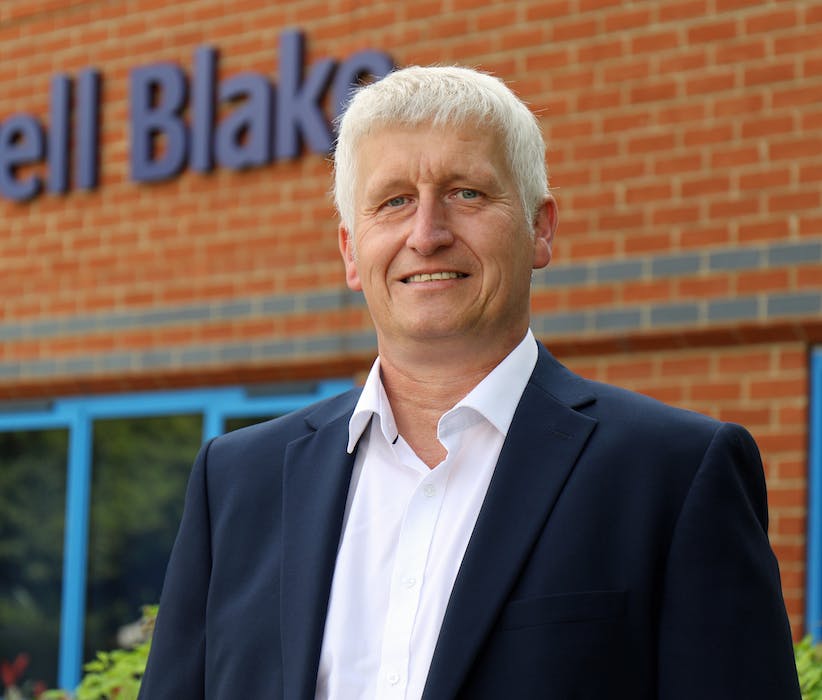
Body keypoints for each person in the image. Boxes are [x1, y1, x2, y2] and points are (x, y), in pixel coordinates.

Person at [138, 66, 800, 699]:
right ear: (350, 251)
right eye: (394, 201)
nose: (426, 234)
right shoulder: (237, 482)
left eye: (467, 194)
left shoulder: (673, 475)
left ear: (540, 229)